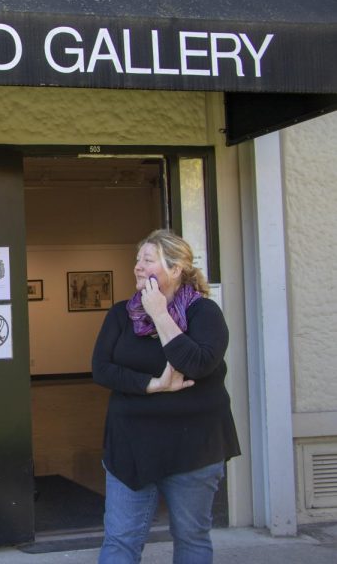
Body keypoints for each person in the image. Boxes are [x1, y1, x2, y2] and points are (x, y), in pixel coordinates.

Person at [92, 229, 240, 564]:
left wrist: (159, 313)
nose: (138, 267)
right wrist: (153, 384)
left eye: (148, 259)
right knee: (120, 540)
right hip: (130, 446)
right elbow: (101, 368)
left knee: (191, 538)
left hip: (193, 448)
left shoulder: (205, 314)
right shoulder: (120, 314)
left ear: (176, 269)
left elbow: (197, 364)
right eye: (137, 259)